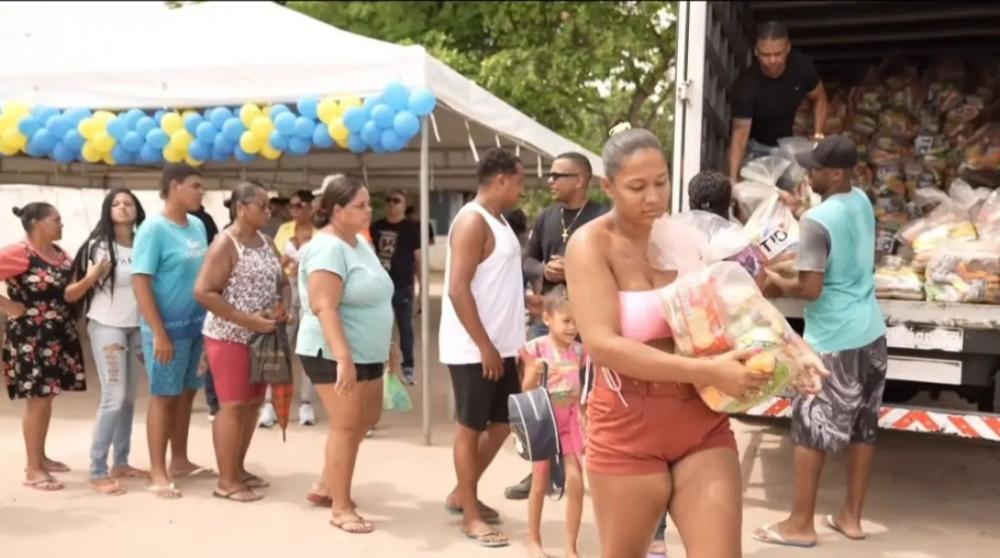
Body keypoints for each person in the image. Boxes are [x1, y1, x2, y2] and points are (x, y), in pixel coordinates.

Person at [564, 128, 771, 558]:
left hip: (701, 419)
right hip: (627, 426)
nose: (653, 197)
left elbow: (728, 309)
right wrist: (709, 371)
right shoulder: (590, 245)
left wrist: (790, 351)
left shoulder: (684, 237)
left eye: (661, 182)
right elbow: (603, 345)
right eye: (637, 187)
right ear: (609, 186)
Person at [753, 135, 887, 548]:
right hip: (872, 334)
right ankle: (851, 516)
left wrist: (774, 282)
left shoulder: (817, 220)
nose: (806, 176)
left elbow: (810, 289)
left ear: (836, 173)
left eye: (814, 170)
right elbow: (834, 258)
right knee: (864, 427)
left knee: (810, 429)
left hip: (833, 340)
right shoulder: (861, 201)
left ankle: (799, 524)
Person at [505, 152, 607, 501]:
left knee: (584, 398)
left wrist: (579, 270)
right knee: (538, 397)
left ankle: (580, 469)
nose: (549, 180)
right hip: (548, 324)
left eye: (557, 175)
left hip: (589, 323)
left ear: (579, 180)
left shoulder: (601, 217)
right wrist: (543, 271)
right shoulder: (548, 216)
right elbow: (527, 258)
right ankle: (539, 472)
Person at [297, 175, 394, 532]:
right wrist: (343, 359)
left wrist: (391, 346)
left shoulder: (359, 243)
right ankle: (341, 507)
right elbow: (325, 306)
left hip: (367, 351)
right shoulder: (327, 248)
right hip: (332, 351)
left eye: (369, 205)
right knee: (347, 424)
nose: (369, 211)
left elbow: (379, 294)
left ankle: (326, 484)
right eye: (360, 206)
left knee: (367, 418)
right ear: (337, 211)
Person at [439, 148, 526, 549]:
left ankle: (462, 492)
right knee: (469, 428)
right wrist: (485, 346)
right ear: (501, 180)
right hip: (475, 348)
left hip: (503, 345)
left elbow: (497, 282)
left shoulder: (500, 221)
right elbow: (458, 288)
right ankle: (470, 515)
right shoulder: (472, 222)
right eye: (520, 181)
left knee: (503, 423)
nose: (523, 189)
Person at [647, 168, 733, 556]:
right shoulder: (731, 236)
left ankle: (657, 535)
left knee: (658, 452)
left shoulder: (669, 230)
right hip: (710, 354)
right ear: (726, 202)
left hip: (664, 357)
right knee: (696, 448)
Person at [195, 181, 288, 503]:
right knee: (233, 405)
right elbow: (204, 291)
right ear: (241, 207)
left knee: (251, 405)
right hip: (229, 336)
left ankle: (238, 468)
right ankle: (226, 480)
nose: (267, 210)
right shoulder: (225, 243)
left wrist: (282, 305)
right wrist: (247, 319)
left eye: (268, 205)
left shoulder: (266, 241)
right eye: (261, 205)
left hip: (261, 337)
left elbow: (283, 282)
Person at [132, 163, 212, 499]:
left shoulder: (196, 225)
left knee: (185, 394)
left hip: (196, 327)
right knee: (163, 397)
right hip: (166, 330)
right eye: (195, 186)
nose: (200, 192)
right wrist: (158, 332)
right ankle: (157, 470)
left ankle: (179, 460)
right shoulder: (153, 229)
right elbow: (141, 281)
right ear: (174, 186)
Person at [65, 189, 149, 495]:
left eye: (128, 203)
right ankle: (97, 468)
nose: (123, 207)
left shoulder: (144, 242)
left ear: (137, 210)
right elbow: (71, 293)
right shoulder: (98, 247)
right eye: (116, 203)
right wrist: (92, 276)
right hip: (108, 326)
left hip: (136, 326)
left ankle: (121, 462)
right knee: (113, 396)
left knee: (128, 398)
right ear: (107, 210)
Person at [1, 203, 85, 492]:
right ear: (36, 223)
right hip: (31, 337)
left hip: (58, 333)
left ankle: (41, 457)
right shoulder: (19, 253)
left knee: (46, 398)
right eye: (56, 220)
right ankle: (33, 468)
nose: (62, 225)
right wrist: (8, 305)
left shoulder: (60, 253)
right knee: (37, 400)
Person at [522, 287, 587, 558]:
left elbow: (582, 389)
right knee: (539, 483)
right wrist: (533, 373)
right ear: (547, 318)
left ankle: (570, 546)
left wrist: (586, 415)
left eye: (576, 321)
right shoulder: (535, 349)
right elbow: (526, 390)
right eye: (566, 321)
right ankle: (534, 541)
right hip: (546, 420)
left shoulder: (581, 351)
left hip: (571, 419)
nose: (572, 327)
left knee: (576, 482)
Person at [729, 21, 828, 184]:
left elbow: (819, 97)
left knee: (798, 191)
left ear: (788, 48)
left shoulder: (802, 67)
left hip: (788, 146)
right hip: (756, 148)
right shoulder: (746, 85)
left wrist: (818, 135)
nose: (772, 60)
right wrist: (732, 179)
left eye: (778, 54)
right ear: (756, 51)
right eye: (765, 55)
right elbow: (740, 134)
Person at [260, 189, 318, 427]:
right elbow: (272, 261)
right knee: (278, 352)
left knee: (309, 351)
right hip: (286, 291)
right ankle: (270, 405)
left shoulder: (320, 234)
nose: (295, 210)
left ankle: (306, 404)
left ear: (311, 207)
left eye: (300, 205)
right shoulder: (284, 230)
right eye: (292, 206)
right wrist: (283, 261)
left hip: (311, 292)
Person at [370, 189, 427, 386]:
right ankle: (381, 366)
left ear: (404, 204)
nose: (392, 205)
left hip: (402, 286)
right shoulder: (376, 227)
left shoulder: (412, 228)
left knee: (405, 328)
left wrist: (421, 289)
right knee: (379, 328)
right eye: (388, 200)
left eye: (396, 201)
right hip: (379, 288)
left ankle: (408, 367)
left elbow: (419, 259)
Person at [191, 203, 221, 420]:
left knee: (208, 354)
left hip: (205, 302)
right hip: (195, 304)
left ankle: (214, 402)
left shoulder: (203, 222)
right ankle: (213, 402)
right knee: (206, 355)